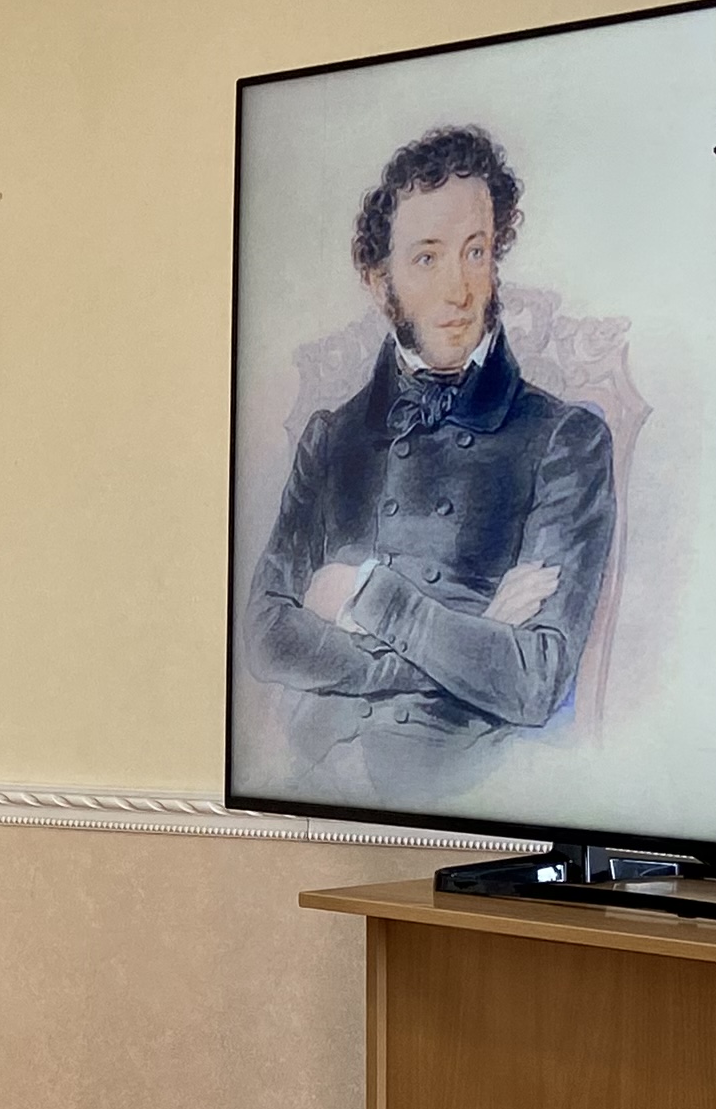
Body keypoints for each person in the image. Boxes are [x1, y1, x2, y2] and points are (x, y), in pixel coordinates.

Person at [247, 124, 617, 804]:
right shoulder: (331, 438)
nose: (459, 290)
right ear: (378, 280)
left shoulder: (565, 439)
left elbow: (534, 681)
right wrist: (466, 645)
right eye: (427, 258)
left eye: (476, 251)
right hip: (309, 783)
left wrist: (365, 594)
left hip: (460, 791)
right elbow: (264, 637)